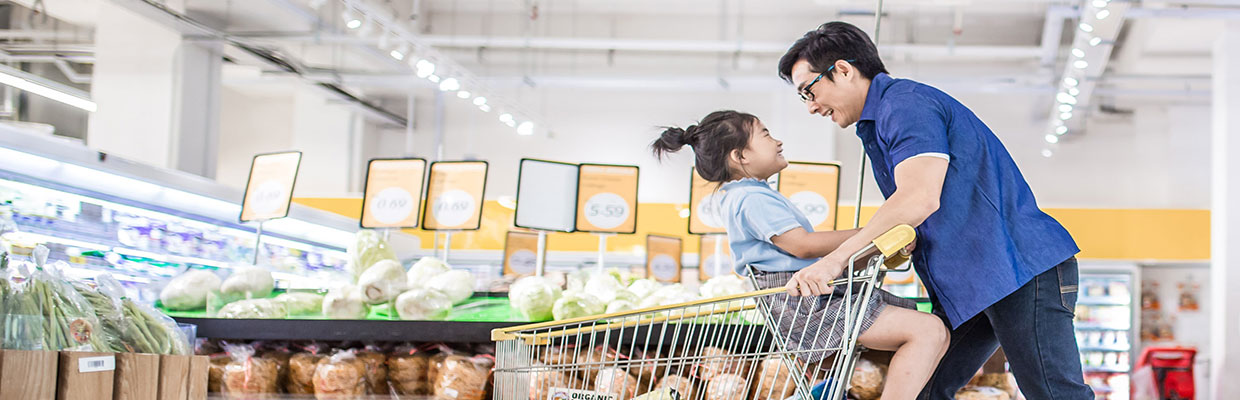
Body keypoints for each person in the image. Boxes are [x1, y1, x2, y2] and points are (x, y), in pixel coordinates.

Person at [776, 21, 1092, 399]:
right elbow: (921, 211)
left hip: (1018, 270)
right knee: (920, 388)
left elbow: (919, 198)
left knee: (1056, 394)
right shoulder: (878, 123)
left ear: (843, 69)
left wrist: (836, 261)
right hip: (974, 283)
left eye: (809, 91)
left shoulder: (905, 104)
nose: (811, 107)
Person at [651, 110, 949, 400]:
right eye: (765, 135)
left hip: (811, 297)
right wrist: (871, 234)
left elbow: (804, 256)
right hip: (803, 304)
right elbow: (802, 246)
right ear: (740, 156)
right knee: (927, 330)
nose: (777, 141)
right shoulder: (749, 198)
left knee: (936, 334)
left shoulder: (754, 195)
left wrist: (873, 246)